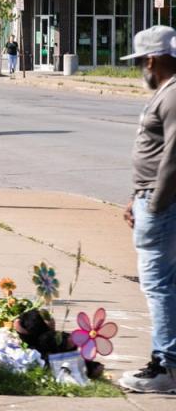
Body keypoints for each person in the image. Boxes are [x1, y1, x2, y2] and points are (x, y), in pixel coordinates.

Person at [118, 25, 176, 394]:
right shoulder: (169, 92)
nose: (142, 69)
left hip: (161, 203)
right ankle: (167, 361)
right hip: (153, 197)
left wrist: (153, 203)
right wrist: (136, 196)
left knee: (158, 284)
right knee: (166, 284)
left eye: (142, 62)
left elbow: (173, 155)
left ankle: (166, 367)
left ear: (153, 59)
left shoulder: (172, 95)